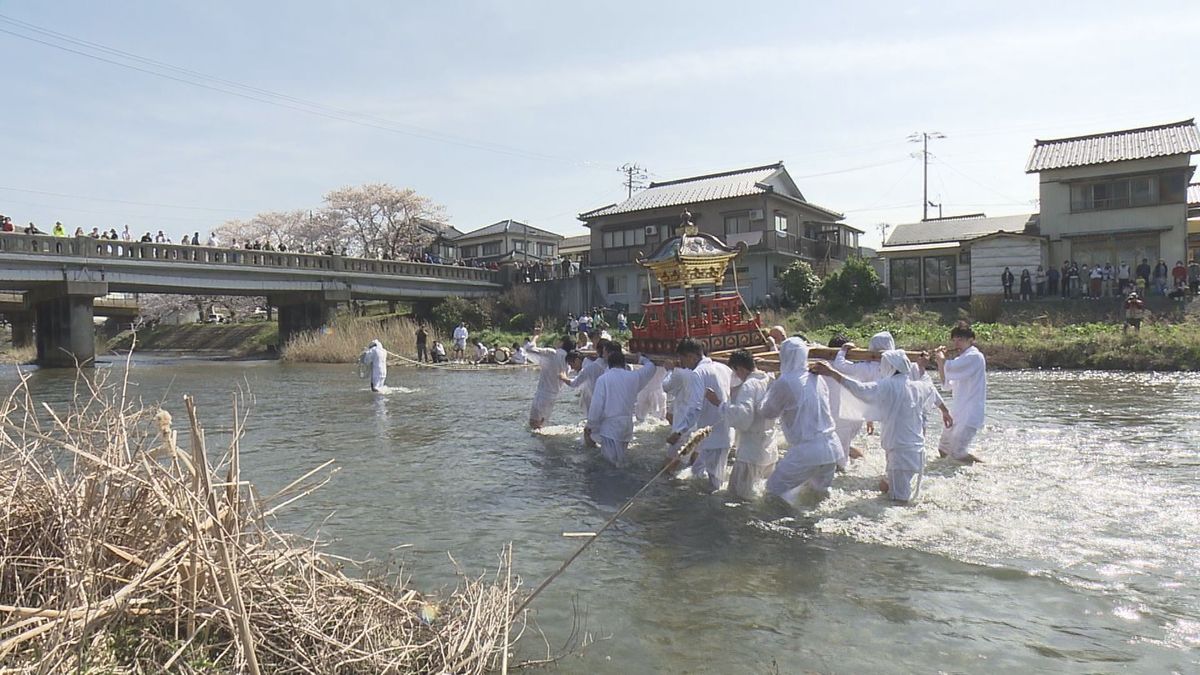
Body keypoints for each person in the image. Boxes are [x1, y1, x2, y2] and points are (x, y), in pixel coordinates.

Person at [812, 351, 953, 503]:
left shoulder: (887, 386)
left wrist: (832, 373)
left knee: (898, 501)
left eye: (883, 365)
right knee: (888, 488)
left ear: (890, 367)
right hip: (918, 453)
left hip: (900, 454)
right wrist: (944, 410)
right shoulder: (919, 386)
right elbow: (931, 389)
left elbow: (859, 389)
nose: (880, 369)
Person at [757, 338, 841, 503]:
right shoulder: (817, 378)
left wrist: (768, 384)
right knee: (818, 495)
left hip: (807, 450)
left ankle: (792, 524)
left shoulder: (785, 381)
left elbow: (767, 412)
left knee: (772, 491)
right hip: (831, 448)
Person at [721, 350, 778, 500]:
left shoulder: (749, 385)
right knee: (764, 494)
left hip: (751, 451)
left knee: (738, 497)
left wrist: (722, 406)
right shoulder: (768, 378)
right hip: (770, 448)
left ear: (739, 368)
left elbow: (743, 417)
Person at [677, 338, 733, 491]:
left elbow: (695, 407)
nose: (682, 363)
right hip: (722, 430)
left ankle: (718, 510)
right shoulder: (723, 368)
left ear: (691, 356)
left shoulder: (698, 373)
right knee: (696, 471)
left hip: (715, 436)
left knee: (716, 484)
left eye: (682, 358)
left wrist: (680, 431)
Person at [585, 350, 659, 466]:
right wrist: (642, 359)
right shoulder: (634, 377)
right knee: (622, 460)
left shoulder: (604, 379)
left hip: (610, 427)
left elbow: (596, 406)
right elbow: (651, 368)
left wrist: (590, 425)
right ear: (624, 364)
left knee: (610, 464)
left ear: (609, 364)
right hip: (626, 426)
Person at [933, 323, 986, 463]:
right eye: (955, 340)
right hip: (957, 412)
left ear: (971, 340)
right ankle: (944, 469)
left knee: (957, 453)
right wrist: (940, 362)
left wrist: (942, 359)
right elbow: (946, 385)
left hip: (970, 413)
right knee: (943, 449)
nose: (957, 343)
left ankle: (985, 468)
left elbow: (950, 368)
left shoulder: (975, 356)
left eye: (961, 340)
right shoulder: (959, 360)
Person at [526, 334, 575, 429]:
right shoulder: (567, 363)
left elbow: (529, 350)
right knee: (541, 424)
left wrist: (535, 337)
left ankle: (538, 443)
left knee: (533, 424)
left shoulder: (552, 353)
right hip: (553, 396)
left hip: (542, 394)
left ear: (562, 343)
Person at [563, 339, 610, 415]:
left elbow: (574, 383)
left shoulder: (589, 368)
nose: (572, 368)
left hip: (595, 404)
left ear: (577, 360)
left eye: (571, 364)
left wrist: (563, 377)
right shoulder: (610, 365)